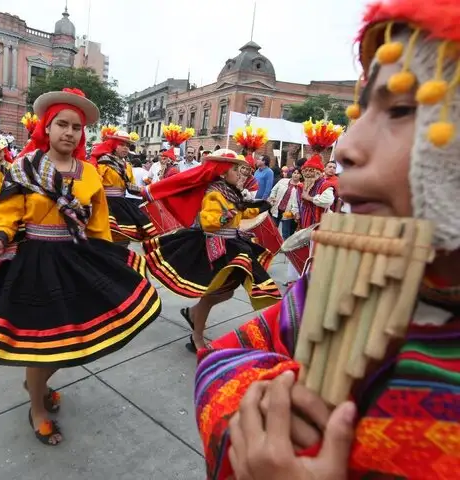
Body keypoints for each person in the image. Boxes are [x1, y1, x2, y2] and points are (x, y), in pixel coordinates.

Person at [194, 1, 460, 478]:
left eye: (400, 108)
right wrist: (258, 410)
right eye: (363, 111)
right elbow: (230, 353)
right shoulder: (337, 288)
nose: (348, 148)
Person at [0, 88, 162, 446]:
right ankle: (37, 405)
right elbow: (6, 216)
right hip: (35, 260)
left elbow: (99, 223)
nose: (69, 132)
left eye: (77, 127)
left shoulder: (89, 174)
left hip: (78, 258)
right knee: (41, 338)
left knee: (73, 339)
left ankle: (36, 383)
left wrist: (106, 258)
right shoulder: (22, 168)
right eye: (62, 124)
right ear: (47, 126)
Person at [142, 149, 281, 352]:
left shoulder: (231, 191)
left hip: (232, 244)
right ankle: (197, 337)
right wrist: (225, 217)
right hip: (216, 247)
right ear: (223, 173)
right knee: (212, 295)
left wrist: (263, 206)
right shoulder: (215, 194)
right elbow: (209, 223)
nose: (241, 174)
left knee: (227, 292)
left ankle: (193, 314)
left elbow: (242, 211)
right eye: (236, 170)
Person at [94, 130, 156, 242]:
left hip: (122, 203)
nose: (126, 148)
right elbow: (95, 184)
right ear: (113, 145)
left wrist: (149, 191)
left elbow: (130, 186)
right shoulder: (103, 162)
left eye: (128, 145)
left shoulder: (126, 165)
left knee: (124, 238)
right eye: (121, 145)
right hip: (105, 203)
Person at [289, 156, 335, 230]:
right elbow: (295, 203)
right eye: (305, 171)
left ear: (318, 172)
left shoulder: (325, 185)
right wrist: (296, 213)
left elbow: (327, 201)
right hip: (303, 222)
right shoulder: (301, 186)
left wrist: (309, 198)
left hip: (319, 224)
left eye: (311, 171)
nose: (307, 173)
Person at [268, 167, 302, 239]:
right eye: (294, 173)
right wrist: (272, 197)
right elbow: (274, 190)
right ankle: (272, 246)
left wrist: (295, 212)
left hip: (288, 212)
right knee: (272, 230)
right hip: (277, 208)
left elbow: (298, 202)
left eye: (298, 173)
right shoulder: (283, 181)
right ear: (291, 174)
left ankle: (284, 249)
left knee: (285, 234)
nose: (295, 175)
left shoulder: (301, 187)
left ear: (301, 176)